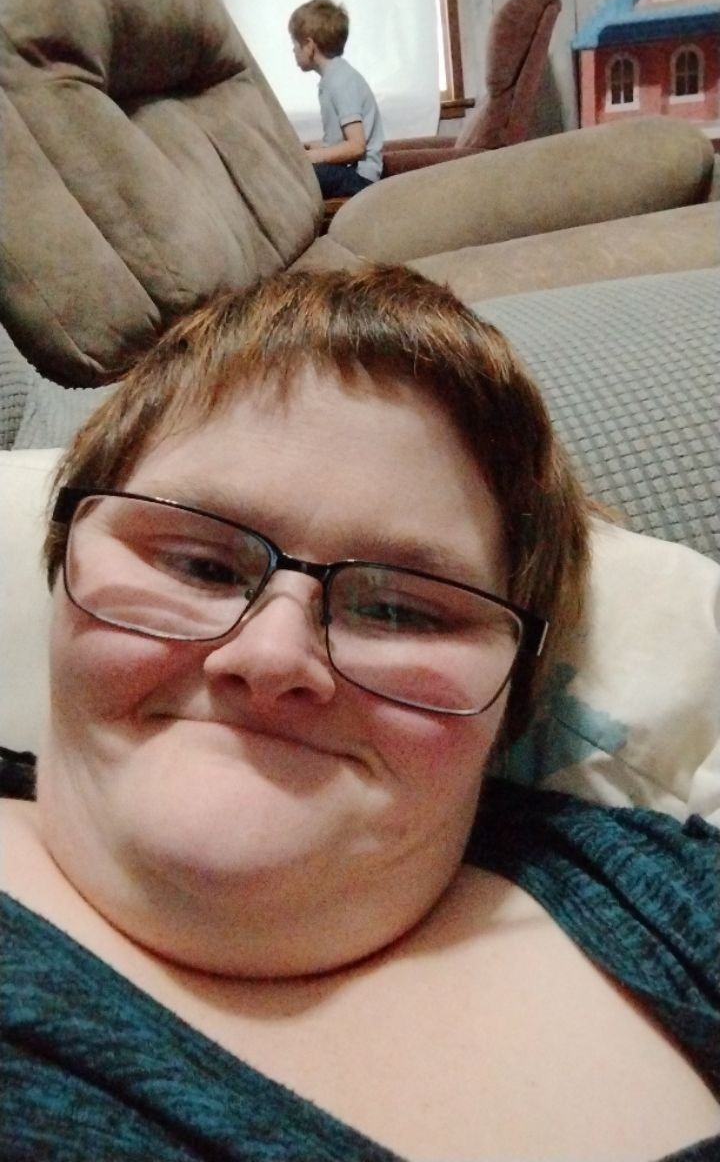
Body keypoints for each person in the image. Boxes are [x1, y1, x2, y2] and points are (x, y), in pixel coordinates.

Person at [1, 266, 718, 1162]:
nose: (272, 658)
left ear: (516, 693)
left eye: (400, 611)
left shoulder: (661, 900)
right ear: (60, 563)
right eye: (197, 565)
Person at [289, 0, 384, 198]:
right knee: (295, 165)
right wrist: (311, 148)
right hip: (350, 171)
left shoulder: (341, 82)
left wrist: (313, 157)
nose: (293, 50)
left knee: (298, 175)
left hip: (360, 177)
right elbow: (341, 141)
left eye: (295, 43)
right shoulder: (335, 77)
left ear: (309, 45)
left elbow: (356, 146)